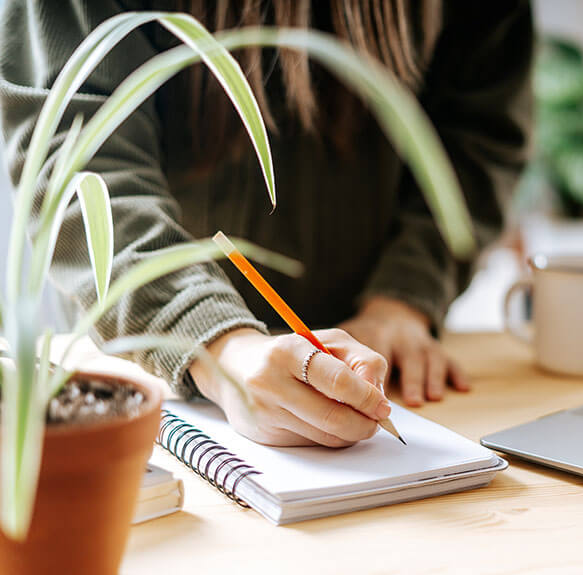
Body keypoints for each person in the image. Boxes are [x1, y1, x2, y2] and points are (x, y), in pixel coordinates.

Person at [0, 1, 532, 447]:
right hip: (153, 366)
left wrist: (405, 296)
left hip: (392, 357)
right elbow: (79, 153)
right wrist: (216, 344)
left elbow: (479, 134)